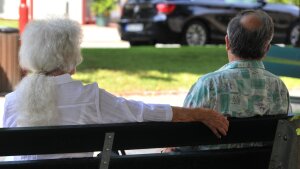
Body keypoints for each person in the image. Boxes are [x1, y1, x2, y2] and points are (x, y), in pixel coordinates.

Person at [3, 18, 228, 160]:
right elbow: (145, 112)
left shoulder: (13, 101)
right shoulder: (90, 98)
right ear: (71, 57)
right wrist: (200, 113)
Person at [176, 10, 290, 151]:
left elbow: (183, 143)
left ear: (227, 42)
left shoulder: (208, 85)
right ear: (266, 49)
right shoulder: (279, 88)